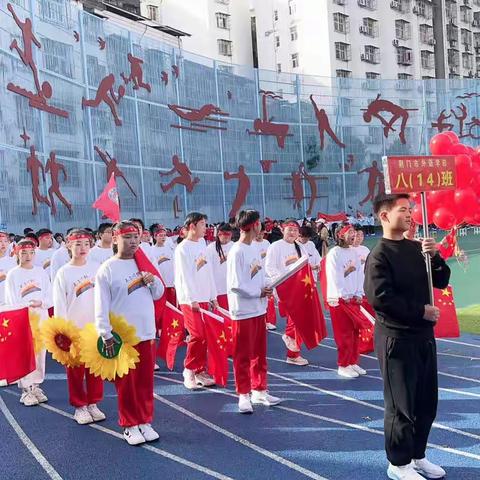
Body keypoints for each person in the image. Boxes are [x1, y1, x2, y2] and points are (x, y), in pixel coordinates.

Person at [364, 193, 450, 480]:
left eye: (411, 209)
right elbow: (380, 299)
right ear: (385, 216)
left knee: (426, 403)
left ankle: (418, 456)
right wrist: (420, 312)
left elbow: (441, 280)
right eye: (403, 210)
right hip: (397, 340)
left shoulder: (417, 248)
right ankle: (398, 463)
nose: (410, 214)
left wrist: (435, 257)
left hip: (424, 337)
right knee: (401, 405)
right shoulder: (379, 255)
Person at [95, 221, 164, 445]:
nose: (133, 241)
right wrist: (105, 333)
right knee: (126, 384)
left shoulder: (143, 262)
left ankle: (145, 420)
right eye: (127, 237)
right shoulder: (107, 268)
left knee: (145, 382)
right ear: (115, 239)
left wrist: (153, 282)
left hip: (146, 333)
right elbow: (101, 305)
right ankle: (129, 424)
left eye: (136, 237)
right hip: (122, 337)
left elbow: (158, 294)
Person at [227, 210, 281, 413]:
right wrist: (258, 291)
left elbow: (260, 276)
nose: (262, 228)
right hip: (243, 312)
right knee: (242, 355)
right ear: (254, 226)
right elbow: (235, 285)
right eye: (260, 224)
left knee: (260, 353)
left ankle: (259, 389)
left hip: (259, 309)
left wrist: (273, 282)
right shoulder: (237, 251)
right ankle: (243, 394)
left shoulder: (254, 249)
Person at [53, 229, 105, 425]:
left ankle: (93, 403)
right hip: (74, 329)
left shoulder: (97, 268)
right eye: (77, 244)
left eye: (86, 244)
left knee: (95, 368)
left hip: (95, 328)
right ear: (68, 245)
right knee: (75, 370)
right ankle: (79, 406)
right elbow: (60, 305)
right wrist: (63, 332)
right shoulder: (63, 273)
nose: (82, 248)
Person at [5, 239, 52, 406]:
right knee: (25, 353)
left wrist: (42, 303)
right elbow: (11, 299)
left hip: (41, 317)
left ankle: (36, 385)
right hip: (23, 319)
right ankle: (25, 389)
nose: (27, 256)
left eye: (31, 252)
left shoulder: (41, 272)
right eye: (23, 253)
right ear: (17, 254)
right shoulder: (13, 274)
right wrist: (24, 309)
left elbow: (50, 295)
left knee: (40, 353)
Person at [174, 212, 218, 390]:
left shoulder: (202, 244)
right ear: (192, 226)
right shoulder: (182, 249)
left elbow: (208, 272)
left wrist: (213, 295)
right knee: (196, 335)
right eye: (202, 224)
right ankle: (189, 369)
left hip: (204, 297)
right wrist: (192, 299)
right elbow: (184, 277)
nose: (205, 228)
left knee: (205, 337)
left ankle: (200, 370)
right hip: (189, 300)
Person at [265, 219, 309, 366]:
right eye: (289, 229)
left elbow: (305, 266)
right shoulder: (275, 247)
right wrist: (283, 283)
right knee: (294, 319)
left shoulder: (299, 247)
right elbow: (270, 268)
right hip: (285, 289)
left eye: (295, 230)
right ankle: (292, 351)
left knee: (300, 320)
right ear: (283, 230)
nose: (292, 232)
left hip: (300, 289)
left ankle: (293, 352)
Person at [325, 224, 366, 378]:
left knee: (355, 332)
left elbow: (358, 275)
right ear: (340, 235)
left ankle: (353, 361)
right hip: (339, 299)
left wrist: (359, 292)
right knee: (344, 334)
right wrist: (343, 294)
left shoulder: (353, 252)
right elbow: (334, 276)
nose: (353, 235)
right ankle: (343, 365)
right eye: (350, 232)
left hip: (353, 299)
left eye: (354, 232)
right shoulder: (334, 253)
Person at [253, 223, 276, 330]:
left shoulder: (267, 243)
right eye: (258, 233)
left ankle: (269, 321)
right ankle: (260, 321)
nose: (260, 235)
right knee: (259, 299)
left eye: (262, 233)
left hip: (267, 275)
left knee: (269, 299)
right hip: (256, 275)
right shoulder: (251, 244)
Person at [206, 223, 234, 310]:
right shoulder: (210, 248)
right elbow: (208, 271)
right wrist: (211, 294)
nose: (226, 238)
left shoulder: (234, 246)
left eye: (228, 235)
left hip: (233, 289)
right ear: (218, 234)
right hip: (218, 290)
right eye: (223, 235)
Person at [148, 225, 176, 306]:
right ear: (155, 236)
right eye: (160, 236)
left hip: (171, 284)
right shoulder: (151, 250)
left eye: (164, 236)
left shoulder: (170, 249)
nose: (163, 238)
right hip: (160, 284)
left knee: (172, 307)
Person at [0, 230, 16, 305]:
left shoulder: (13, 261)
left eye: (6, 241)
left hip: (10, 303)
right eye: (0, 241)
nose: (3, 244)